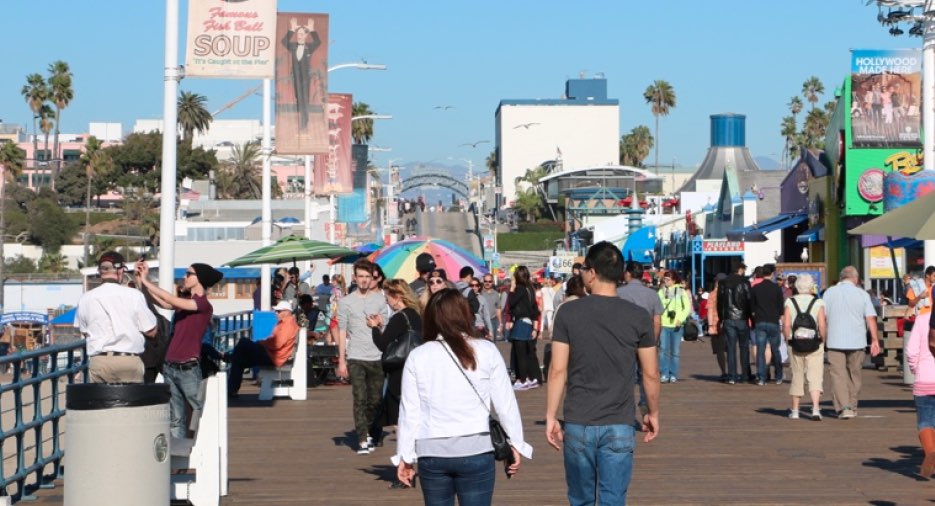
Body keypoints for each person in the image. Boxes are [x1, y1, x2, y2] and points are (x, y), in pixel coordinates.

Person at [546, 241, 660, 505]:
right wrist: (651, 413)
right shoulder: (639, 316)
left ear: (592, 272)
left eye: (584, 268)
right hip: (620, 422)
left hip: (578, 421)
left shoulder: (568, 312)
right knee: (613, 499)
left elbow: (558, 370)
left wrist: (551, 416)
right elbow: (650, 373)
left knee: (581, 500)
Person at [393, 289, 532, 503]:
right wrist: (515, 444)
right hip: (476, 449)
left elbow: (410, 412)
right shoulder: (486, 350)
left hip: (432, 451)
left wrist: (406, 456)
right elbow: (505, 404)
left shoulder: (418, 356)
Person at [137, 260, 223, 439]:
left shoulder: (202, 304)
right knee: (176, 417)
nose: (184, 277)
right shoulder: (187, 302)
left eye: (188, 274)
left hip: (188, 368)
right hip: (170, 366)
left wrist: (146, 281)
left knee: (200, 411)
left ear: (199, 279)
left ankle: (204, 449)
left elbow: (169, 299)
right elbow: (163, 303)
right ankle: (178, 462)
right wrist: (142, 283)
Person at [76, 252, 158, 383]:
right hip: (128, 361)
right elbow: (151, 331)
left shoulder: (86, 298)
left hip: (99, 361)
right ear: (120, 270)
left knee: (101, 402)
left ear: (100, 271)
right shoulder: (134, 295)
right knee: (131, 401)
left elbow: (85, 331)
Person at [335, 259, 390, 454]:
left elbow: (387, 325)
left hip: (377, 356)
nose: (365, 280)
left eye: (368, 277)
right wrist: (342, 360)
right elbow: (341, 331)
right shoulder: (346, 302)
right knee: (359, 397)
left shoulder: (380, 300)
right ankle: (361, 439)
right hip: (356, 356)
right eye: (361, 277)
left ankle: (366, 429)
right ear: (355, 278)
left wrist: (380, 321)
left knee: (375, 400)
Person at [367, 280, 422, 466]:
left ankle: (404, 462)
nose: (387, 301)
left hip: (399, 372)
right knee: (412, 416)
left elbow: (383, 345)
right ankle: (412, 458)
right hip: (416, 368)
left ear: (397, 297)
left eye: (388, 297)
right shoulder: (416, 315)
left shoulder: (399, 317)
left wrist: (375, 327)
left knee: (400, 419)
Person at [822, 266, 882, 419]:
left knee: (838, 375)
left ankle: (844, 407)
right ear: (855, 279)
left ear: (842, 278)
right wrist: (875, 340)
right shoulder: (862, 294)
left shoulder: (828, 293)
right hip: (857, 341)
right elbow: (870, 318)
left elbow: (822, 317)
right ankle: (852, 405)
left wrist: (823, 337)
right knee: (854, 374)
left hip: (834, 340)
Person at [225, 300, 299, 397]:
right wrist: (264, 342)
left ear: (286, 312)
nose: (276, 313)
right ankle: (231, 390)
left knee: (243, 342)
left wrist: (262, 342)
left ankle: (229, 360)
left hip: (274, 357)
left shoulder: (288, 325)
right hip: (272, 354)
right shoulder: (284, 323)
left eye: (279, 311)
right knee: (239, 360)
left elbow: (277, 344)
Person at [783, 274, 827, 421]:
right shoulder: (818, 302)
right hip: (814, 343)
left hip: (796, 342)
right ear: (811, 286)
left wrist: (787, 338)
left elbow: (787, 324)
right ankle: (815, 409)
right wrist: (823, 338)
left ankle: (795, 411)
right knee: (815, 376)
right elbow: (821, 324)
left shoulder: (790, 301)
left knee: (797, 375)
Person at [282, 17, 322, 131]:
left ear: (306, 36)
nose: (299, 36)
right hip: (295, 78)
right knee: (298, 100)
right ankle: (300, 122)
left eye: (301, 34)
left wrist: (312, 30)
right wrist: (292, 29)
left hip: (305, 79)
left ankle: (304, 123)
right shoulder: (293, 47)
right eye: (298, 34)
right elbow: (284, 42)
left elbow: (318, 42)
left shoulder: (309, 47)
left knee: (305, 100)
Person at [507, 266, 543, 391]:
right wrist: (535, 327)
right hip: (528, 323)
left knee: (520, 353)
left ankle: (523, 380)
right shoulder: (530, 289)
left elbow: (511, 302)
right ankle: (532, 378)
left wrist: (511, 290)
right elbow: (535, 310)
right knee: (527, 353)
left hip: (521, 322)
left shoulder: (520, 289)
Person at [909, 306, 935, 476]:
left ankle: (931, 454)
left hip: (925, 379)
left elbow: (911, 351)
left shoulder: (922, 319)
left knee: (925, 422)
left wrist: (915, 369)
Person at [718, 262, 753, 384]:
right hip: (742, 318)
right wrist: (750, 318)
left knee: (731, 348)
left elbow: (720, 303)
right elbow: (749, 301)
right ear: (740, 269)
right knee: (744, 347)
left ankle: (732, 376)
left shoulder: (723, 283)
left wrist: (721, 318)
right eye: (743, 269)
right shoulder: (744, 283)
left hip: (728, 318)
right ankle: (744, 375)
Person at [750, 264, 786, 386]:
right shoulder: (776, 289)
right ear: (772, 274)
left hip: (760, 321)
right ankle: (779, 376)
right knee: (775, 349)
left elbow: (752, 307)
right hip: (773, 322)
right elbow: (781, 308)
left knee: (760, 350)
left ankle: (761, 377)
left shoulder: (755, 288)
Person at [658, 271, 690, 383]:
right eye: (664, 279)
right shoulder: (661, 292)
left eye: (668, 279)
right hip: (664, 324)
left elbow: (687, 308)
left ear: (674, 280)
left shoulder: (681, 291)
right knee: (663, 350)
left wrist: (680, 319)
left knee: (675, 351)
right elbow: (657, 306)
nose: (665, 281)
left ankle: (673, 374)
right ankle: (664, 373)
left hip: (677, 325)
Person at [707, 274, 728, 381]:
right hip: (729, 323)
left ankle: (724, 372)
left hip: (716, 324)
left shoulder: (713, 294)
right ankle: (732, 371)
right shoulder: (729, 293)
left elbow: (710, 310)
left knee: (720, 350)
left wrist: (710, 325)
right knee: (730, 349)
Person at [479, 274, 502, 341]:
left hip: (493, 321)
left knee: (492, 342)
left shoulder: (496, 294)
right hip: (482, 321)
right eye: (486, 281)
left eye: (490, 281)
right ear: (483, 281)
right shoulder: (480, 292)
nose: (487, 283)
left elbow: (498, 309)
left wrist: (500, 323)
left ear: (493, 282)